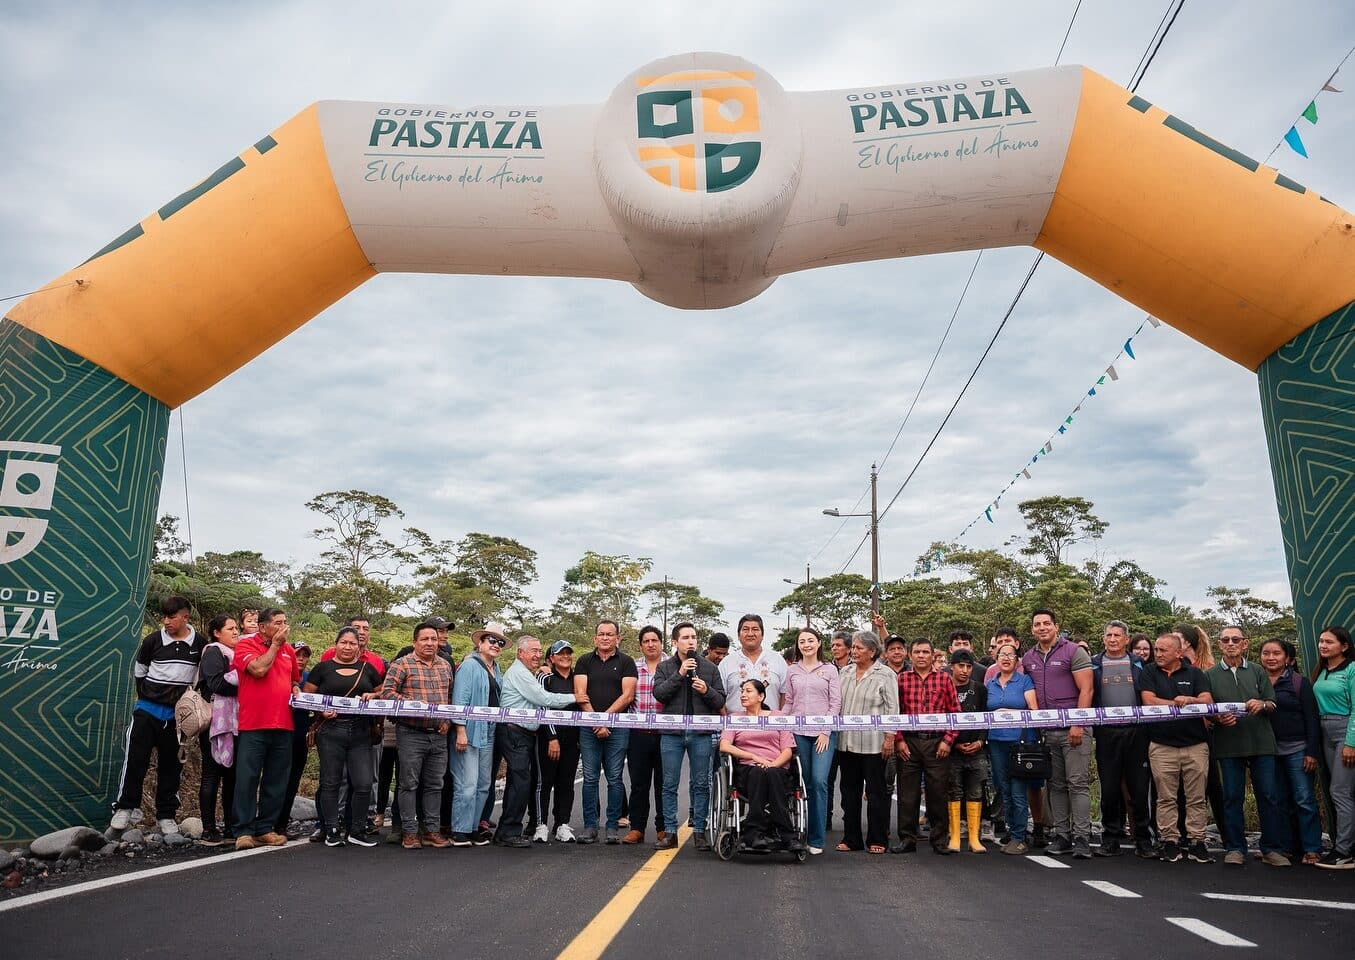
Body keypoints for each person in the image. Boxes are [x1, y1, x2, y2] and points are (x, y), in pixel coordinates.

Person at [110, 596, 205, 835]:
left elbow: (200, 677)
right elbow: (140, 672)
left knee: (171, 766)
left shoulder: (199, 644)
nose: (166, 621)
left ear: (185, 617)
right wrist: (148, 697)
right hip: (147, 710)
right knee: (135, 760)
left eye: (171, 617)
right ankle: (125, 807)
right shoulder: (153, 640)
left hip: (177, 718)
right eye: (164, 616)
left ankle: (166, 815)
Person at [1208, 625, 1289, 867]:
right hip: (1228, 744)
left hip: (1260, 742)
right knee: (1232, 797)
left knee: (1268, 796)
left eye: (1235, 639)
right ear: (1219, 644)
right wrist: (1217, 718)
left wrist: (1262, 704)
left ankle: (1271, 849)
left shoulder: (1257, 670)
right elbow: (1208, 709)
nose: (1230, 644)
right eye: (1225, 640)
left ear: (1245, 643)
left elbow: (1272, 703)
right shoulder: (1209, 675)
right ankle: (1235, 848)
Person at [1137, 631, 1215, 864]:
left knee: (1196, 797)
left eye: (1163, 650)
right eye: (1156, 649)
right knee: (1165, 797)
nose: (1158, 654)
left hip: (1195, 744)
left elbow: (1207, 700)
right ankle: (1169, 840)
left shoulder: (1195, 673)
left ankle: (1197, 840)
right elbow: (1149, 701)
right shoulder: (1149, 671)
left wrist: (1190, 700)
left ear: (1179, 653)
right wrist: (1177, 703)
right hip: (1162, 745)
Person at [1023, 608, 1094, 858]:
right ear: (1032, 629)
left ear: (1056, 626)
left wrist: (1078, 723)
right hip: (1048, 731)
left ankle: (1082, 837)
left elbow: (1087, 689)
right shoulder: (1028, 657)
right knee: (1055, 785)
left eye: (1046, 623)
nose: (1042, 627)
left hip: (1074, 730)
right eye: (1037, 624)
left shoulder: (1073, 651)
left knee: (1078, 783)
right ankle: (1062, 835)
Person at [494, 635, 578, 847]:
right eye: (533, 651)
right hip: (515, 732)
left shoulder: (527, 673)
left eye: (540, 651)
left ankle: (507, 830)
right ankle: (510, 832)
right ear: (520, 653)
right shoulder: (520, 674)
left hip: (523, 734)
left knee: (519, 781)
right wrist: (575, 697)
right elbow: (544, 699)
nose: (537, 655)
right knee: (521, 783)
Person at [304, 626, 383, 847]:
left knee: (363, 783)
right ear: (336, 644)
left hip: (361, 731)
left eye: (353, 643)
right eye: (344, 642)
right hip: (331, 731)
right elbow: (307, 697)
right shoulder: (322, 668)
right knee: (331, 782)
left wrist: (373, 695)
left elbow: (383, 693)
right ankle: (332, 830)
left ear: (359, 646)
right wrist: (321, 711)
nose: (348, 647)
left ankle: (357, 830)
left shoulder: (368, 669)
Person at [652, 622, 726, 850]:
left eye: (693, 637)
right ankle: (670, 833)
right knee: (669, 784)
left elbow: (720, 700)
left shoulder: (710, 668)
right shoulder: (664, 667)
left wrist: (706, 690)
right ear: (675, 642)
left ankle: (700, 832)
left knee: (701, 784)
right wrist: (680, 673)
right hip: (672, 734)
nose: (691, 641)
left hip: (701, 733)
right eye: (685, 638)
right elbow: (659, 694)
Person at [231, 608, 300, 850]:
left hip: (283, 724)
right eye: (278, 623)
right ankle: (243, 831)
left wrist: (295, 687)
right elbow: (258, 670)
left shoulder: (288, 650)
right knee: (247, 778)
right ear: (262, 627)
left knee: (276, 779)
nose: (284, 627)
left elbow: (294, 678)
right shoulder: (245, 645)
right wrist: (275, 646)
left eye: (285, 622)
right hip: (253, 725)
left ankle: (265, 828)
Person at [383, 621, 454, 850]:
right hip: (411, 733)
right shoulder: (402, 664)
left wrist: (447, 720)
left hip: (439, 735)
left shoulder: (445, 666)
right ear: (415, 642)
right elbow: (387, 694)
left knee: (435, 785)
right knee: (409, 784)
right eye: (424, 639)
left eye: (433, 639)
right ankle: (409, 832)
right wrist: (413, 704)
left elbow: (450, 697)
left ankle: (431, 831)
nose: (430, 643)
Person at [894, 638, 961, 856]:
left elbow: (955, 712)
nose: (921, 656)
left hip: (937, 742)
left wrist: (948, 740)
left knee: (938, 793)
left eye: (925, 652)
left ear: (933, 655)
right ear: (910, 655)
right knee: (907, 795)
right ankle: (907, 839)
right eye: (917, 652)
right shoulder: (901, 679)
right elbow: (895, 712)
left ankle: (939, 840)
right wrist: (899, 739)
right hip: (909, 742)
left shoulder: (944, 679)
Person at [1091, 620, 1152, 858]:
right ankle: (1110, 838)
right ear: (1103, 638)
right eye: (1109, 635)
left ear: (1127, 639)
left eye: (1117, 635)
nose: (1113, 639)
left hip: (1136, 732)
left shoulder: (1139, 664)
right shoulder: (1094, 664)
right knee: (1109, 789)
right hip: (1106, 733)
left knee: (1139, 789)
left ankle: (1143, 839)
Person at [1259, 638, 1323, 865]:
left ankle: (1312, 848)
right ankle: (1284, 847)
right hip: (1268, 750)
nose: (1271, 658)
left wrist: (1311, 752)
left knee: (1304, 799)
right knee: (1277, 799)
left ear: (1288, 658)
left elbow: (1312, 718)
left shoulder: (1298, 682)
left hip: (1297, 748)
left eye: (1276, 653)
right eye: (1266, 653)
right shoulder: (1256, 681)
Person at [573, 620, 638, 844]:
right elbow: (580, 693)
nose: (605, 638)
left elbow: (627, 696)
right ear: (595, 638)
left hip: (617, 728)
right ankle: (590, 826)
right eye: (601, 634)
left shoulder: (627, 662)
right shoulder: (584, 661)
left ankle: (612, 827)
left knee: (614, 778)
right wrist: (596, 721)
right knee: (590, 778)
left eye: (610, 634)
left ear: (617, 638)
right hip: (588, 728)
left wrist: (606, 721)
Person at [836, 630, 898, 854]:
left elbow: (893, 707)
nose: (854, 651)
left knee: (876, 794)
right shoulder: (844, 672)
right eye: (853, 647)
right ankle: (851, 838)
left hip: (874, 744)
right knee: (849, 793)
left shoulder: (886, 674)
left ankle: (877, 839)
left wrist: (890, 737)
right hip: (847, 743)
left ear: (872, 651)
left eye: (859, 648)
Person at [721, 679, 801, 852]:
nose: (743, 695)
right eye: (742, 691)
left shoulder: (778, 717)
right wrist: (753, 756)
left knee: (771, 773)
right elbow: (724, 746)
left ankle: (785, 836)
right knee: (758, 773)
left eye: (748, 691)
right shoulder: (734, 718)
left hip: (776, 767)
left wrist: (772, 764)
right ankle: (757, 833)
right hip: (748, 769)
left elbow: (788, 750)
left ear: (761, 696)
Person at [782, 627, 840, 854]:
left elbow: (835, 703)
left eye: (810, 640)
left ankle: (816, 839)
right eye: (802, 641)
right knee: (803, 783)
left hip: (823, 735)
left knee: (819, 781)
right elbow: (789, 702)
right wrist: (778, 722)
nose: (806, 645)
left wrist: (825, 731)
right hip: (798, 733)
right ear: (798, 645)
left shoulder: (830, 670)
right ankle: (800, 832)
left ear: (818, 643)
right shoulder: (792, 670)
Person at [448, 623, 506, 847]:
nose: (496, 645)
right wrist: (460, 730)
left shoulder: (496, 668)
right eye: (491, 640)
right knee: (467, 783)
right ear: (480, 643)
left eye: (500, 642)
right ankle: (459, 829)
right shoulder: (469, 666)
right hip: (469, 730)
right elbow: (460, 700)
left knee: (483, 783)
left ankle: (473, 827)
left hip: (489, 730)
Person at [985, 640, 1039, 855]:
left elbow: (1034, 711)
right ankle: (1012, 831)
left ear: (1017, 660)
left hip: (1019, 743)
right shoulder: (990, 684)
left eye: (1011, 655)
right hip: (996, 742)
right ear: (996, 659)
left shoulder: (1025, 681)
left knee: (1018, 791)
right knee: (1004, 789)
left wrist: (1007, 712)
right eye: (1002, 655)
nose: (1006, 658)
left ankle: (1020, 837)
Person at [1312, 625, 1355, 868]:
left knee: (1340, 791)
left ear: (1344, 646)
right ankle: (1346, 846)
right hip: (1324, 731)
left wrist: (1351, 743)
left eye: (1329, 642)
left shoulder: (1351, 669)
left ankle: (1343, 850)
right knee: (1338, 790)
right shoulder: (1322, 670)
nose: (1323, 645)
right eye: (1321, 641)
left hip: (1345, 731)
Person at [197, 614, 240, 846]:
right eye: (230, 628)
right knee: (211, 775)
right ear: (216, 632)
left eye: (236, 628)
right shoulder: (213, 652)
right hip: (216, 722)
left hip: (235, 722)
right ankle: (208, 828)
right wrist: (245, 686)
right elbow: (216, 684)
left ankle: (231, 827)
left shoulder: (236, 653)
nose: (236, 632)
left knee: (231, 776)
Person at [624, 625, 667, 845]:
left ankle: (663, 828)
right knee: (639, 784)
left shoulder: (672, 666)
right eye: (646, 641)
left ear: (661, 642)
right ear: (641, 645)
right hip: (638, 734)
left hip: (665, 735)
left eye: (654, 640)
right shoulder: (632, 667)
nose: (650, 644)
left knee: (663, 784)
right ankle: (637, 828)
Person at [537, 640, 583, 843]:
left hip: (572, 740)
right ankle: (540, 824)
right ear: (552, 658)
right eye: (560, 653)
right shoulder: (545, 676)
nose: (565, 657)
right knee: (544, 782)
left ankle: (562, 824)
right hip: (548, 739)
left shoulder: (578, 678)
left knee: (566, 782)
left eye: (568, 653)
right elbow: (542, 706)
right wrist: (552, 737)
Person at [947, 648, 988, 854]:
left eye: (968, 667)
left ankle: (974, 837)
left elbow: (986, 718)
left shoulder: (980, 689)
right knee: (954, 791)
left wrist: (980, 741)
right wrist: (952, 743)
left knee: (976, 791)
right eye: (960, 666)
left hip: (977, 749)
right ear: (951, 667)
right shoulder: (945, 688)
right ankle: (954, 835)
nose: (964, 670)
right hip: (952, 749)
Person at [279, 640, 312, 839]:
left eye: (304, 655)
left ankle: (282, 825)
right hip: (280, 733)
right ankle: (268, 822)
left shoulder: (309, 679)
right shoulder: (280, 674)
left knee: (293, 781)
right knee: (277, 779)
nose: (300, 659)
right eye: (297, 654)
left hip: (300, 735)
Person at [719, 614, 787, 709]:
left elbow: (785, 693)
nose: (750, 634)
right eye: (745, 629)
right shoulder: (726, 662)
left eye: (755, 629)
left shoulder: (777, 660)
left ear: (762, 635)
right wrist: (726, 717)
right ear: (738, 635)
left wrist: (781, 715)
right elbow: (719, 697)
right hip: (735, 718)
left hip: (771, 718)